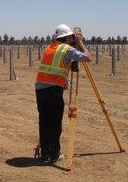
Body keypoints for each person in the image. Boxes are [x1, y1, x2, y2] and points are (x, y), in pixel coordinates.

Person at [35, 24, 91, 163]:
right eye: (70, 37)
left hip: (40, 89)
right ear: (66, 37)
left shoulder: (49, 47)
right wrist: (79, 42)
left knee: (44, 121)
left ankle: (45, 154)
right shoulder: (67, 49)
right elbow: (87, 57)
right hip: (53, 90)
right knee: (55, 123)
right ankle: (54, 154)